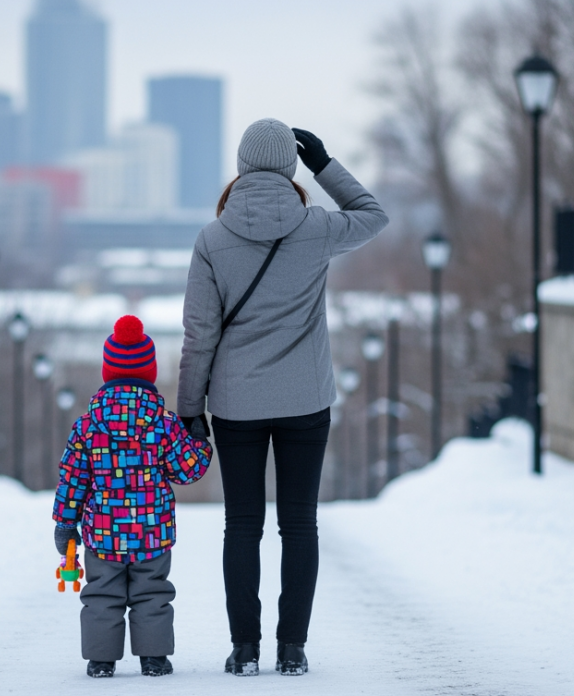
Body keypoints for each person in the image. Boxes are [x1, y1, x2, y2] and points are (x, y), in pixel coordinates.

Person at [177, 119, 389, 676]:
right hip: (304, 401)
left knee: (241, 525)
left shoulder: (213, 239)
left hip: (236, 404)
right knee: (299, 524)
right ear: (291, 167)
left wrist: (188, 409)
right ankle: (291, 648)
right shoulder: (316, 228)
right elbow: (373, 215)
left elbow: (199, 334)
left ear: (242, 164)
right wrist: (324, 164)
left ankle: (244, 648)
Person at [53, 315, 213, 678]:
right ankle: (154, 658)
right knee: (152, 592)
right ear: (150, 372)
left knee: (102, 594)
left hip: (102, 532)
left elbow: (72, 478)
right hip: (152, 531)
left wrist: (66, 524)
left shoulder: (88, 425)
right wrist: (199, 439)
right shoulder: (163, 422)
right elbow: (188, 469)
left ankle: (101, 660)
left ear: (107, 372)